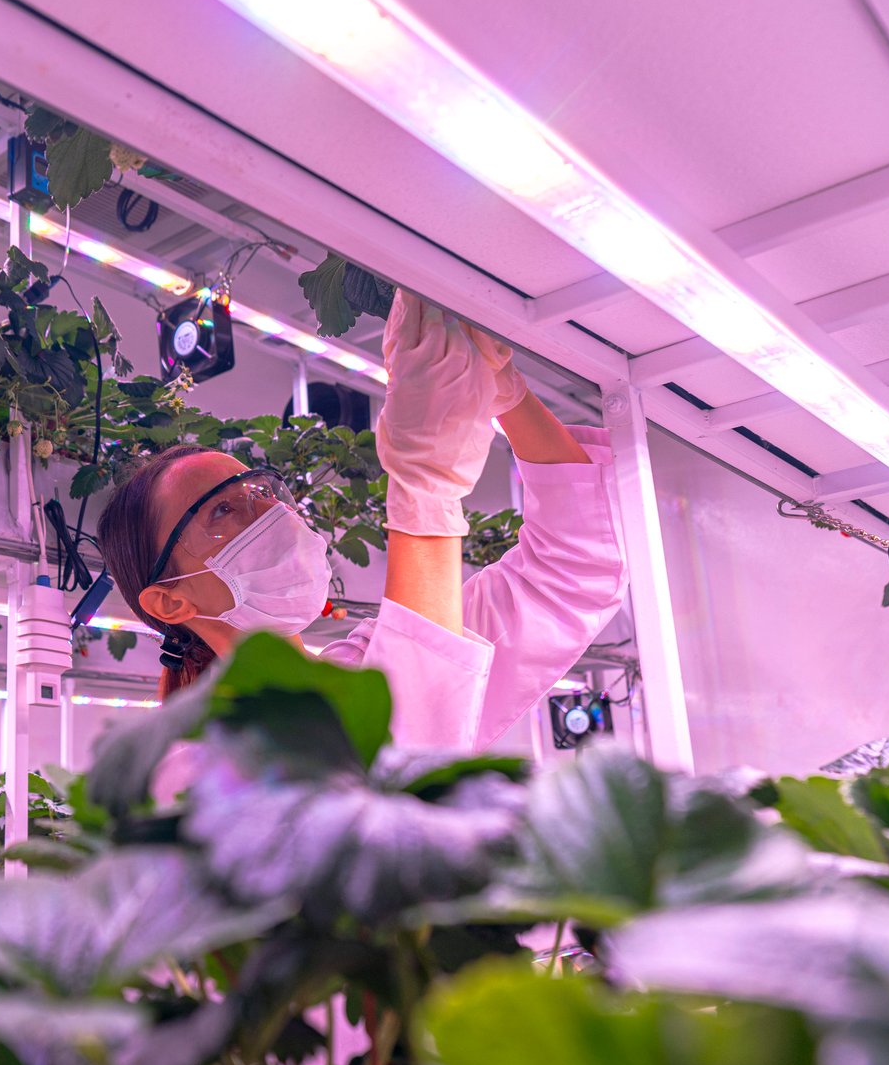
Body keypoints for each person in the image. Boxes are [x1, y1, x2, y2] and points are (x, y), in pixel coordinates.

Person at [99, 290, 626, 756]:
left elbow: (575, 565)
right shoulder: (210, 753)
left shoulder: (360, 667)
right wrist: (424, 490)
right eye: (221, 509)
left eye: (260, 489)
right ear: (170, 600)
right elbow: (400, 746)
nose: (269, 511)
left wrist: (504, 392)